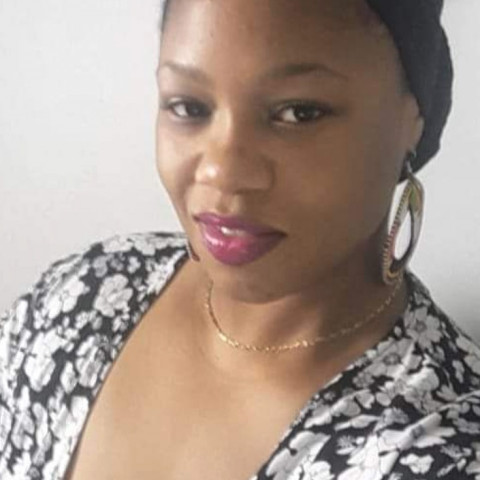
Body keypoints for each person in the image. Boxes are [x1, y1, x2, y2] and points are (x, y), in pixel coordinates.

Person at [1, 0, 479, 478]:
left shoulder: (442, 448)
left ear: (414, 118)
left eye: (299, 112)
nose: (221, 171)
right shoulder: (83, 297)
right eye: (189, 108)